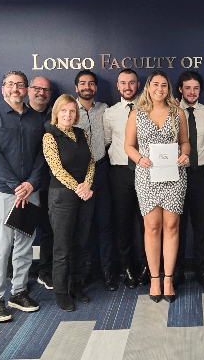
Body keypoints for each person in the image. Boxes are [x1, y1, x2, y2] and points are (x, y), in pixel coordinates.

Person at [0, 70, 45, 322]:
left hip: (30, 191)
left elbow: (42, 155)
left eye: (20, 85)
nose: (15, 89)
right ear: (3, 88)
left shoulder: (36, 119)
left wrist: (31, 184)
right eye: (11, 84)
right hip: (2, 191)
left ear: (27, 90)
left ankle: (18, 292)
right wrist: (16, 185)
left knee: (25, 245)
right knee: (2, 245)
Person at [124, 70, 190, 303]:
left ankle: (168, 279)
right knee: (152, 227)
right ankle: (154, 278)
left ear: (168, 88)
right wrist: (139, 159)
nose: (159, 89)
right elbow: (128, 146)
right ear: (148, 88)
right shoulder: (136, 114)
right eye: (155, 84)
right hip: (147, 175)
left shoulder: (177, 112)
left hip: (174, 175)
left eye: (164, 85)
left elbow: (185, 142)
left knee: (171, 226)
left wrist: (184, 154)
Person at [43, 94, 95, 311]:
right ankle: (61, 292)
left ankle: (77, 285)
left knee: (81, 244)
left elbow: (91, 162)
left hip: (85, 195)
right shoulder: (49, 136)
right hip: (62, 197)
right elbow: (56, 168)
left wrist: (87, 185)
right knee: (62, 247)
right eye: (64, 111)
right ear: (57, 113)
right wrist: (79, 188)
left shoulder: (82, 134)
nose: (68, 115)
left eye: (72, 111)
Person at [103, 68, 149, 291]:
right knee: (122, 223)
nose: (128, 87)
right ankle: (126, 268)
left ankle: (145, 267)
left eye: (132, 83)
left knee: (146, 224)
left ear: (138, 85)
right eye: (123, 83)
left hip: (146, 172)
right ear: (118, 86)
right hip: (120, 173)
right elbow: (107, 141)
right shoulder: (110, 113)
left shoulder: (150, 108)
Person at [74, 70, 116, 288]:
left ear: (96, 88)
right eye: (83, 83)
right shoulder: (71, 111)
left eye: (91, 83)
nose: (87, 87)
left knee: (105, 223)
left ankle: (108, 271)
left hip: (102, 170)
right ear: (76, 88)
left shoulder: (105, 110)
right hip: (78, 176)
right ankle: (87, 271)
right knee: (84, 226)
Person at [175, 71, 204, 290]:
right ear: (180, 89)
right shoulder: (171, 111)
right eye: (188, 88)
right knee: (177, 226)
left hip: (202, 174)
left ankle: (203, 271)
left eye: (196, 88)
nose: (192, 92)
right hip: (176, 175)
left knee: (202, 226)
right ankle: (177, 271)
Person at [27, 76, 54, 290]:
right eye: (37, 88)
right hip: (23, 184)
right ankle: (21, 276)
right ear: (29, 90)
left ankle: (45, 271)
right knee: (22, 231)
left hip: (49, 183)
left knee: (47, 231)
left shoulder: (55, 115)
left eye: (45, 90)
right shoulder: (20, 114)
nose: (41, 93)